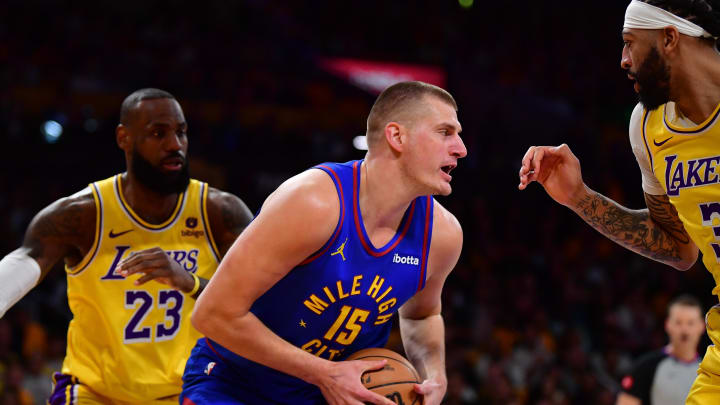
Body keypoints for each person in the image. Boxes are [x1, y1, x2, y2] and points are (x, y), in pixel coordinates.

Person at [180, 81, 466, 405]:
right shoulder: (313, 202)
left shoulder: (443, 235)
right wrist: (323, 373)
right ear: (397, 136)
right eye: (445, 132)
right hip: (234, 386)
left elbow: (421, 316)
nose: (461, 148)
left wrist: (434, 374)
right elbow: (212, 315)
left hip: (327, 395)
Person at [518, 0, 720, 402]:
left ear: (669, 37)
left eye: (630, 43)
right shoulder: (648, 127)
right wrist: (579, 198)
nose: (623, 60)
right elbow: (678, 247)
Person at [0, 88, 253, 404]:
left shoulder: (220, 213)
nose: (175, 145)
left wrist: (189, 282)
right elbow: (26, 260)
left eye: (181, 133)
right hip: (95, 392)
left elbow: (259, 302)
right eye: (158, 133)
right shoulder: (83, 214)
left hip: (185, 390)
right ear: (124, 138)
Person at [617, 295, 705, 405]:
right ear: (668, 325)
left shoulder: (709, 371)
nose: (684, 330)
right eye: (678, 322)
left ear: (702, 326)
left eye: (690, 323)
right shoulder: (646, 366)